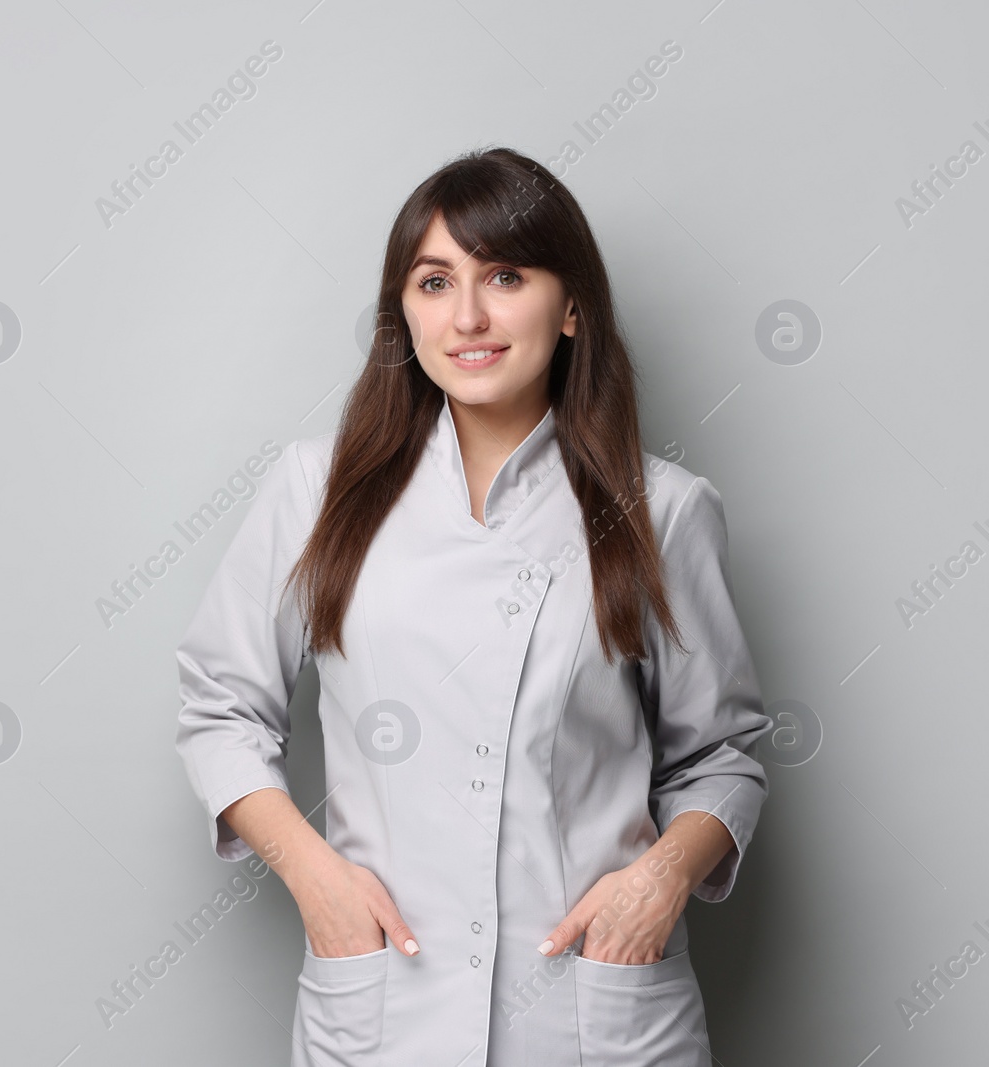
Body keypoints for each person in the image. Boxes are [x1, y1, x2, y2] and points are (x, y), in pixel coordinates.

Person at [173, 146, 771, 1066]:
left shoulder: (664, 512)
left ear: (572, 306)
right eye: (433, 281)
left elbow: (720, 754)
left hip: (590, 1013)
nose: (468, 317)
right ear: (401, 312)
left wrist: (660, 878)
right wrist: (312, 874)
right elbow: (220, 707)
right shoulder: (313, 490)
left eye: (504, 275)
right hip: (382, 1008)